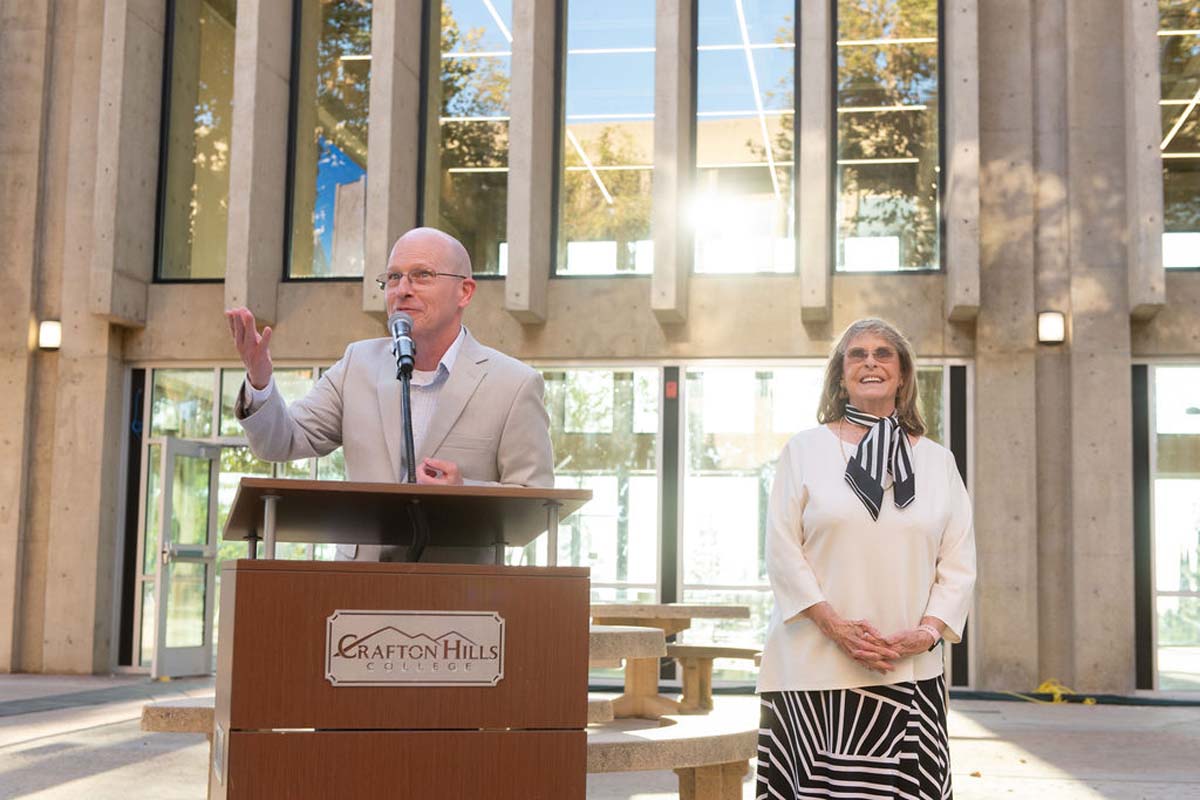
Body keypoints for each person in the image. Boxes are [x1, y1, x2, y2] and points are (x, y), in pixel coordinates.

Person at [224, 227, 554, 561]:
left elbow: (536, 503)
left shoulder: (514, 384)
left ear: (464, 292)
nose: (402, 291)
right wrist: (260, 381)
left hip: (460, 593)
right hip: (358, 593)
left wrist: (465, 492)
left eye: (421, 275)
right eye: (394, 278)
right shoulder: (357, 364)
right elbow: (281, 441)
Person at [756, 318, 975, 798]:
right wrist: (835, 625)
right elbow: (781, 549)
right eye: (857, 355)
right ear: (841, 375)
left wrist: (927, 632)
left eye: (883, 354)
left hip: (907, 665)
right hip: (810, 664)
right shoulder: (804, 450)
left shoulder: (938, 462)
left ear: (901, 375)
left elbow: (958, 563)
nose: (870, 362)